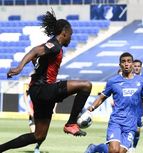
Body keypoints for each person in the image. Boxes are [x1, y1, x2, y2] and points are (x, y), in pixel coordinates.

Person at [0, 10, 92, 152]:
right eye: (71, 35)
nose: (71, 38)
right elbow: (35, 50)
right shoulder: (54, 45)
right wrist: (19, 68)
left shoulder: (54, 47)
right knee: (86, 86)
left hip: (39, 93)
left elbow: (39, 57)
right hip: (42, 89)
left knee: (39, 136)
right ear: (64, 32)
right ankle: (71, 123)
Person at [88, 52, 143, 153]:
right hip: (116, 121)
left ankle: (96, 148)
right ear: (120, 65)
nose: (126, 64)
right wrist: (91, 107)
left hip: (131, 124)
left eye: (129, 61)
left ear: (132, 64)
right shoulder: (113, 82)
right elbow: (102, 97)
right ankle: (94, 148)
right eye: (123, 62)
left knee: (120, 152)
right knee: (114, 150)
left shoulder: (141, 81)